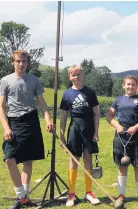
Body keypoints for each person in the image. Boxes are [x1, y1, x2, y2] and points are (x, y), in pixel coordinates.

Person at [0, 50, 55, 209]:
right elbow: (1, 107)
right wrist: (6, 127)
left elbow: (42, 103)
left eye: (24, 61)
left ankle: (23, 198)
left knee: (28, 160)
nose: (21, 64)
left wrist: (48, 120)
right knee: (9, 158)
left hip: (31, 120)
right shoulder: (5, 81)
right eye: (18, 61)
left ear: (27, 63)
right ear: (13, 62)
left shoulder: (35, 81)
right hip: (14, 122)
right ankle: (22, 197)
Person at [106, 75, 138, 205]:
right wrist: (117, 126)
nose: (130, 86)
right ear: (123, 85)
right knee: (122, 165)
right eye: (128, 84)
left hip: (137, 135)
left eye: (133, 84)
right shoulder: (118, 100)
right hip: (121, 135)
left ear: (136, 86)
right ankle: (121, 195)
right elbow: (109, 116)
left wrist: (136, 127)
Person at [59, 64, 101, 207]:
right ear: (69, 77)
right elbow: (63, 115)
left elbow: (96, 113)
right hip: (74, 128)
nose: (76, 77)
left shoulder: (90, 92)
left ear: (83, 76)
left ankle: (89, 192)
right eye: (73, 75)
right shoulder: (67, 94)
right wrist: (62, 133)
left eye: (79, 74)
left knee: (87, 160)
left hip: (88, 128)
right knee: (74, 160)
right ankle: (71, 194)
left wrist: (96, 132)